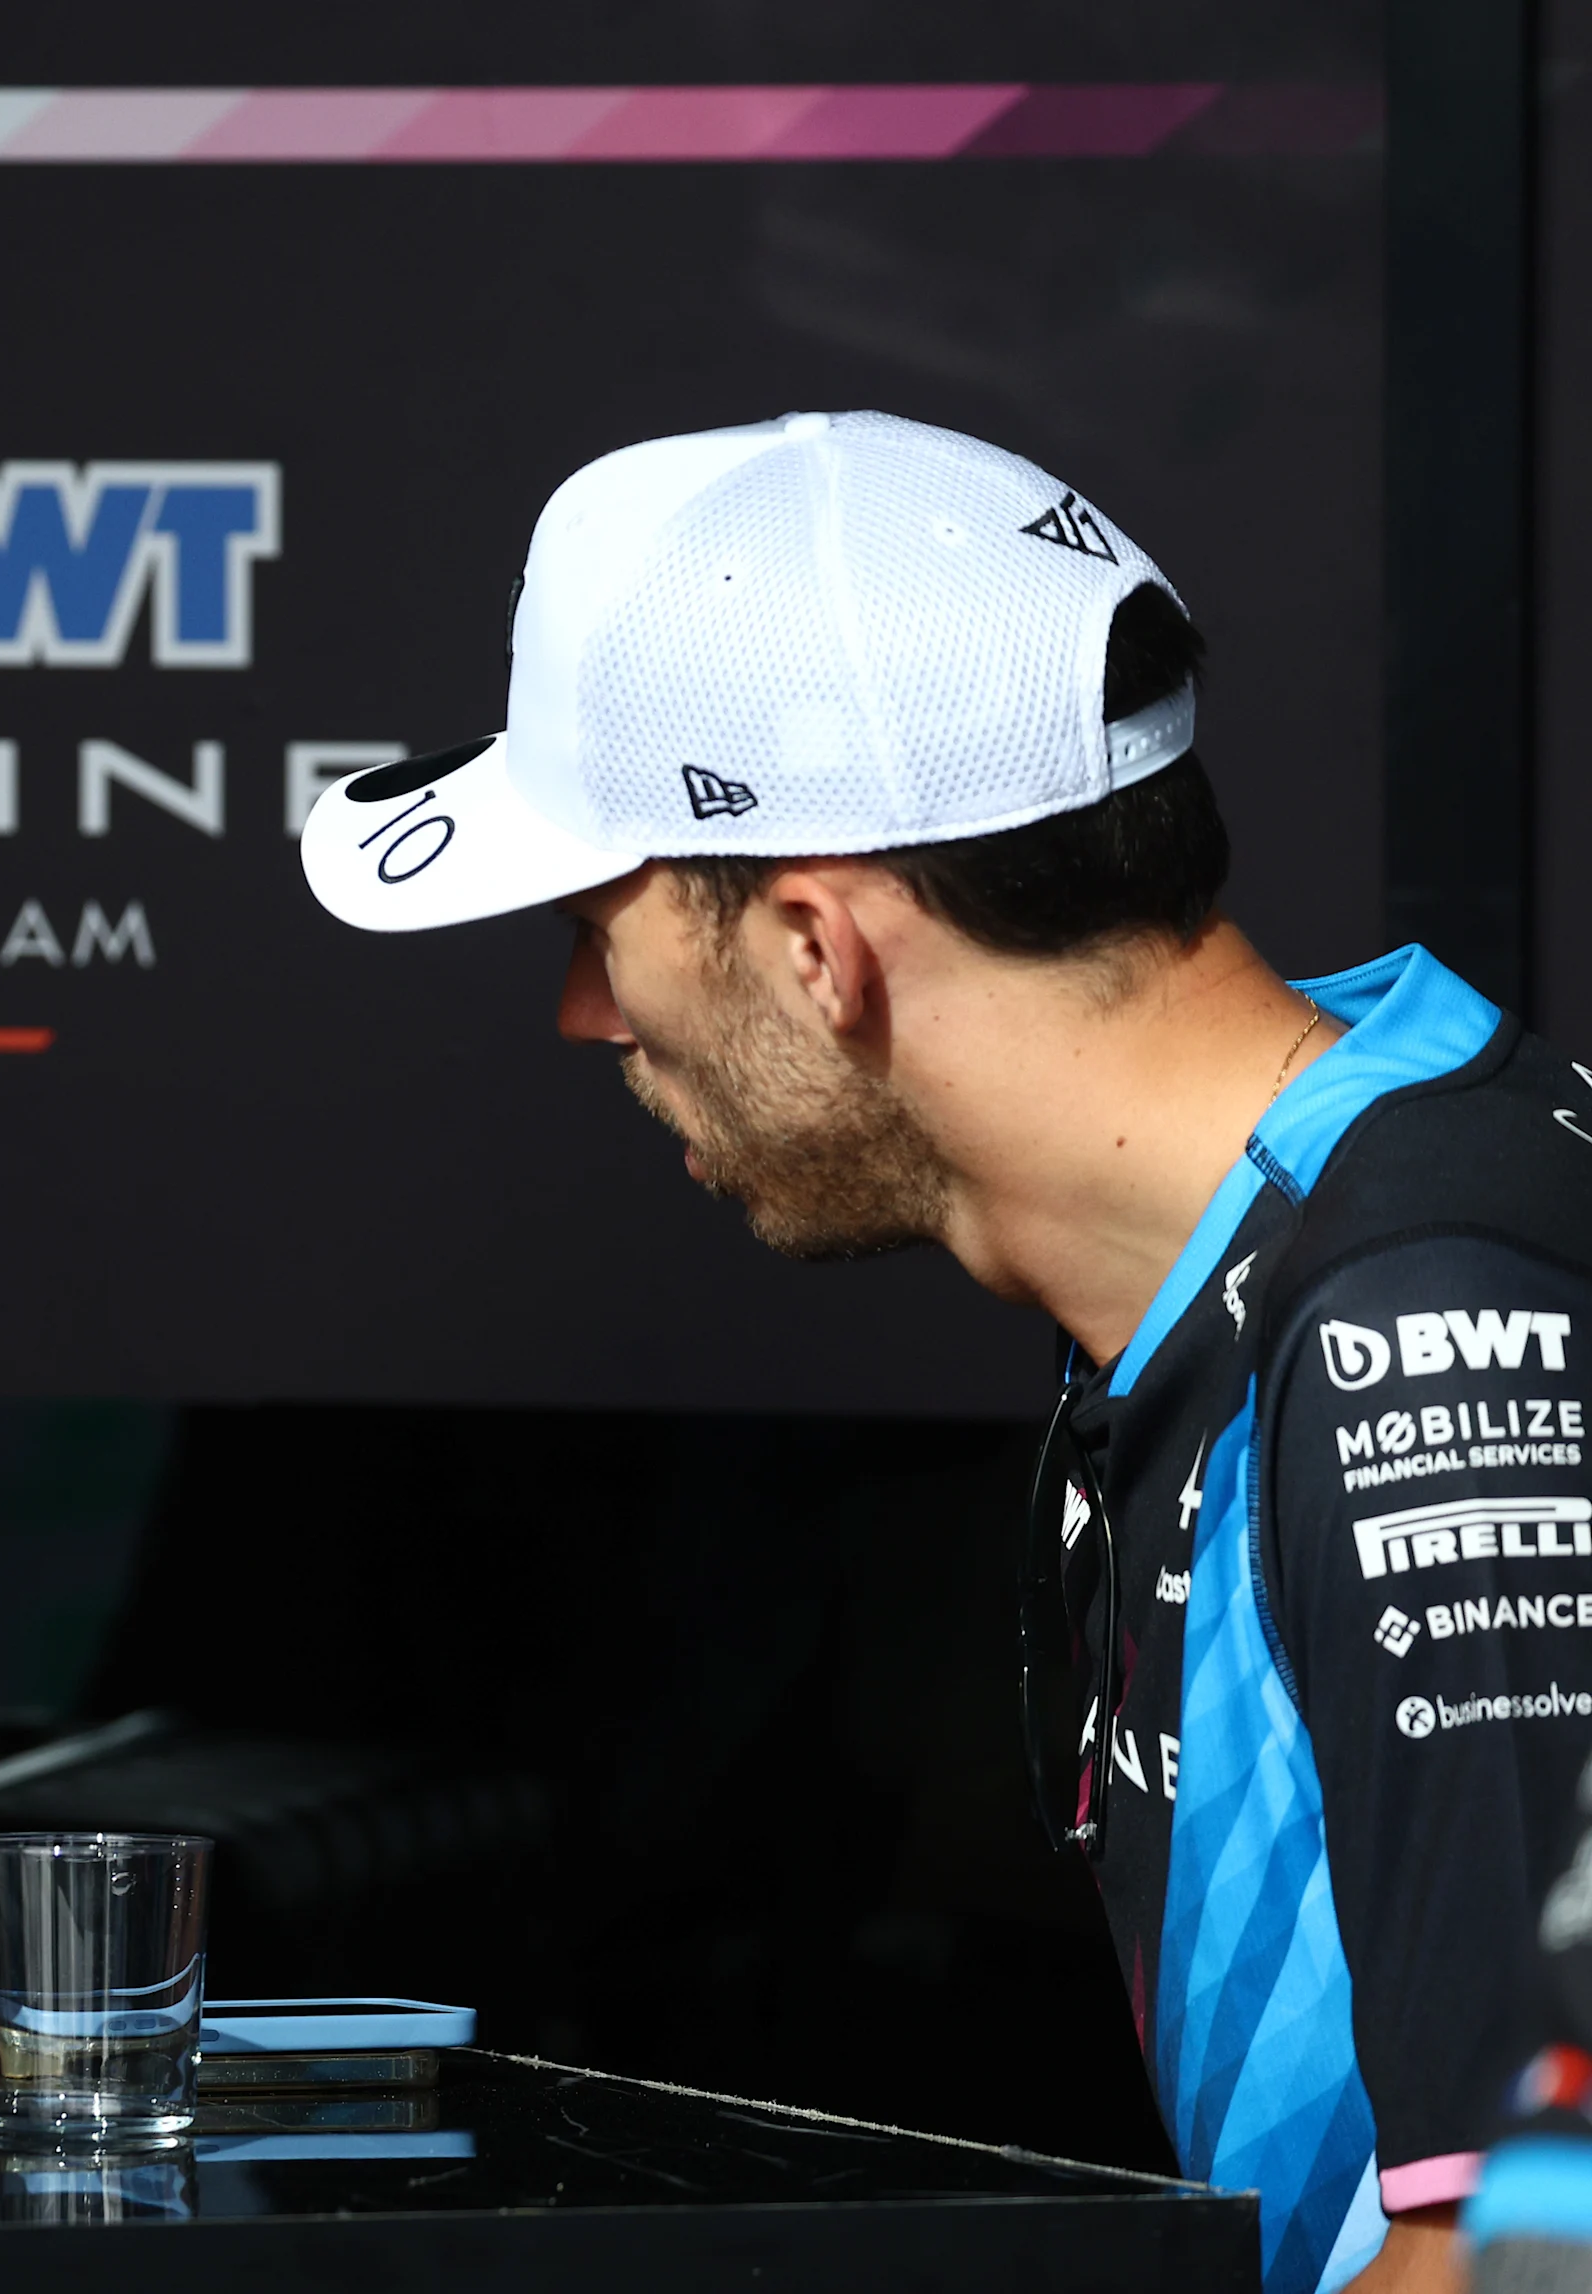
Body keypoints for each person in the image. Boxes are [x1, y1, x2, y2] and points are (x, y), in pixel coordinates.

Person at [301, 410, 1592, 2294]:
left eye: (599, 924)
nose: (588, 1014)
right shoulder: (1293, 1226)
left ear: (820, 946)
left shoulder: (1419, 1324)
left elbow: (1537, 2242)